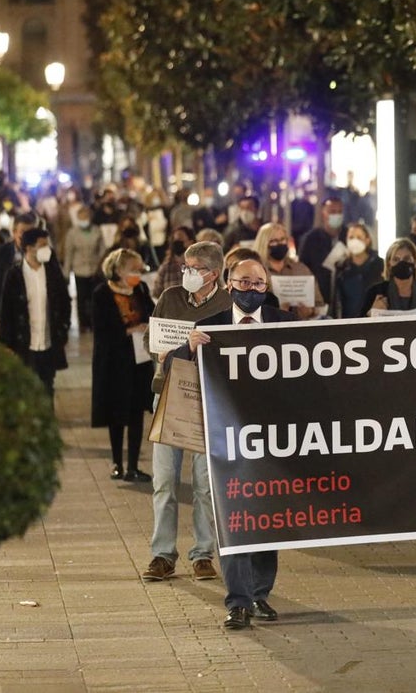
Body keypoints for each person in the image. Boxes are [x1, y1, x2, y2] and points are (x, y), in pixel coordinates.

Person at [182, 254, 295, 630]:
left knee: (266, 519)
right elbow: (173, 369)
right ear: (229, 284)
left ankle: (261, 595)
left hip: (272, 440)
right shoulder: (208, 327)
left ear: (268, 287)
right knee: (234, 519)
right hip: (226, 441)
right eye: (244, 283)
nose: (251, 290)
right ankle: (238, 602)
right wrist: (190, 348)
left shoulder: (284, 324)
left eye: (258, 283)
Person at [140, 241, 232, 583]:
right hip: (168, 396)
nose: (187, 274)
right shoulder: (171, 298)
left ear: (214, 274)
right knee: (164, 480)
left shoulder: (227, 305)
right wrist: (161, 351)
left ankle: (203, 553)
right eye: (186, 267)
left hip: (207, 402)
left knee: (205, 486)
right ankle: (162, 554)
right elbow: (152, 336)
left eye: (194, 269)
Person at [92, 248, 155, 482]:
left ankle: (134, 466)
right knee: (116, 414)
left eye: (140, 270)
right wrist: (128, 330)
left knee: (137, 412)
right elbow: (100, 329)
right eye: (134, 269)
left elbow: (151, 313)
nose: (138, 274)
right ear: (119, 270)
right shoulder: (102, 293)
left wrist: (148, 327)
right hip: (114, 362)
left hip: (139, 360)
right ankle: (117, 462)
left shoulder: (140, 289)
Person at [0, 227, 71, 397]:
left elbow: (64, 302)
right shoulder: (14, 275)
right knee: (26, 388)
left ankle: (47, 421)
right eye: (42, 245)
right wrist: (6, 344)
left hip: (48, 342)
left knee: (47, 387)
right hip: (24, 344)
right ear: (29, 248)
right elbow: (6, 312)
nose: (47, 249)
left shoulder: (52, 272)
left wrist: (63, 329)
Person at [254, 222, 324, 319]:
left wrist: (311, 311)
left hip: (302, 325)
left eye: (283, 240)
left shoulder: (301, 269)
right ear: (264, 244)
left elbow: (319, 303)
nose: (279, 244)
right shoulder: (256, 271)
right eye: (273, 241)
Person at [0, 212, 39, 339]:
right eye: (22, 232)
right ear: (14, 232)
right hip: (8, 316)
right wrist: (0, 307)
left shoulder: (42, 254)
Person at [362, 238, 416, 316]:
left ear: (415, 262)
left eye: (406, 259)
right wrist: (372, 313)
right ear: (389, 265)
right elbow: (358, 326)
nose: (401, 263)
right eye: (396, 259)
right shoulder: (375, 292)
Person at [297, 196, 347, 307]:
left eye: (339, 212)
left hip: (345, 298)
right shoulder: (310, 239)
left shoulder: (349, 236)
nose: (336, 215)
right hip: (319, 298)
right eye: (332, 212)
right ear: (323, 213)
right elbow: (302, 269)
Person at [63, 206, 106, 333]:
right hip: (79, 270)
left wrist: (102, 268)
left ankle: (94, 322)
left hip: (94, 269)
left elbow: (102, 250)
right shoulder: (72, 233)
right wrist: (66, 272)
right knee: (81, 299)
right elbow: (69, 253)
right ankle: (83, 323)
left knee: (94, 298)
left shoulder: (96, 230)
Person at [333, 223, 384, 319]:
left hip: (374, 322)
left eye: (359, 237)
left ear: (367, 240)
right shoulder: (341, 268)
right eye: (351, 237)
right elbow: (336, 301)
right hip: (348, 324)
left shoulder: (380, 265)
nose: (354, 241)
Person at [151, 226, 196, 299]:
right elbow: (156, 294)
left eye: (180, 238)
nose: (176, 241)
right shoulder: (165, 268)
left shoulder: (198, 266)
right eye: (174, 239)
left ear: (190, 242)